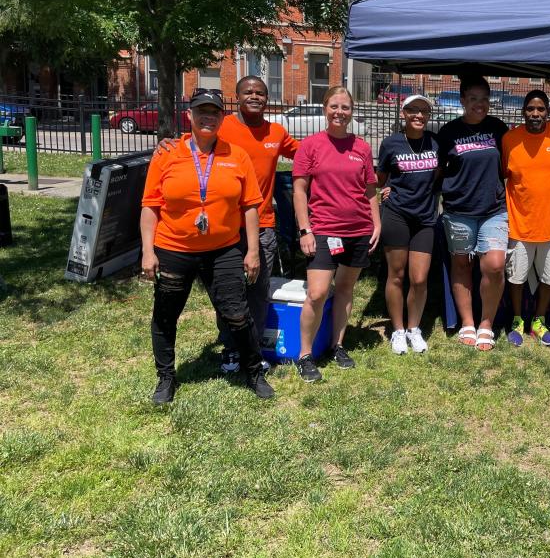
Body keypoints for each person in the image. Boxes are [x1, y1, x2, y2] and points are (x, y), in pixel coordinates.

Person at [140, 89, 271, 403]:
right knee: (165, 315)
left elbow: (251, 206)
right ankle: (165, 378)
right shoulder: (167, 153)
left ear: (222, 117)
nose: (207, 117)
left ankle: (253, 372)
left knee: (238, 315)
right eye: (201, 111)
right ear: (189, 115)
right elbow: (150, 205)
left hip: (223, 249)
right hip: (173, 248)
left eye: (214, 112)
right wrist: (148, 251)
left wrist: (252, 251)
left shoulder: (235, 155)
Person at [292, 86, 380, 378]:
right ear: (324, 108)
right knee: (316, 293)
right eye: (334, 106)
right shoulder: (311, 145)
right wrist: (304, 229)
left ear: (352, 112)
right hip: (322, 230)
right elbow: (299, 190)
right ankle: (305, 354)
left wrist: (376, 223)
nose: (340, 112)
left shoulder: (362, 148)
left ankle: (336, 345)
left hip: (358, 229)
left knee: (345, 288)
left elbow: (370, 191)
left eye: (345, 107)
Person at [216, 76, 299, 373]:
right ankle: (229, 348)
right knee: (228, 290)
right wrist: (168, 142)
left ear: (267, 97)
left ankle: (251, 348)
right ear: (236, 96)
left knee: (257, 289)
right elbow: (191, 145)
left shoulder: (276, 131)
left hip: (262, 225)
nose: (255, 96)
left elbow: (304, 154)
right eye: (248, 92)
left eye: (260, 93)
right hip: (224, 227)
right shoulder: (222, 126)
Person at [436, 76, 509, 351]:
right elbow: (437, 169)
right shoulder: (448, 132)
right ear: (463, 100)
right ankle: (467, 322)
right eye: (474, 98)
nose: (480, 104)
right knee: (461, 265)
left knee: (494, 265)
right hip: (458, 210)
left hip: (493, 210)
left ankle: (486, 323)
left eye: (484, 99)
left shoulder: (498, 129)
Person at [501, 90, 550, 347]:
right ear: (523, 111)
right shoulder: (510, 139)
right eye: (530, 108)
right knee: (516, 278)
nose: (535, 114)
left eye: (540, 109)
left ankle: (539, 321)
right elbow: (501, 175)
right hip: (519, 224)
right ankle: (518, 320)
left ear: (548, 112)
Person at [376, 94, 440, 355]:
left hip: (425, 217)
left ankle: (414, 328)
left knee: (420, 278)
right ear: (403, 113)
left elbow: (439, 175)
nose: (418, 115)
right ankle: (398, 330)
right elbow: (380, 178)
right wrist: (387, 188)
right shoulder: (391, 143)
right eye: (413, 110)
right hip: (396, 215)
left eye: (424, 111)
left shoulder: (435, 142)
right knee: (396, 275)